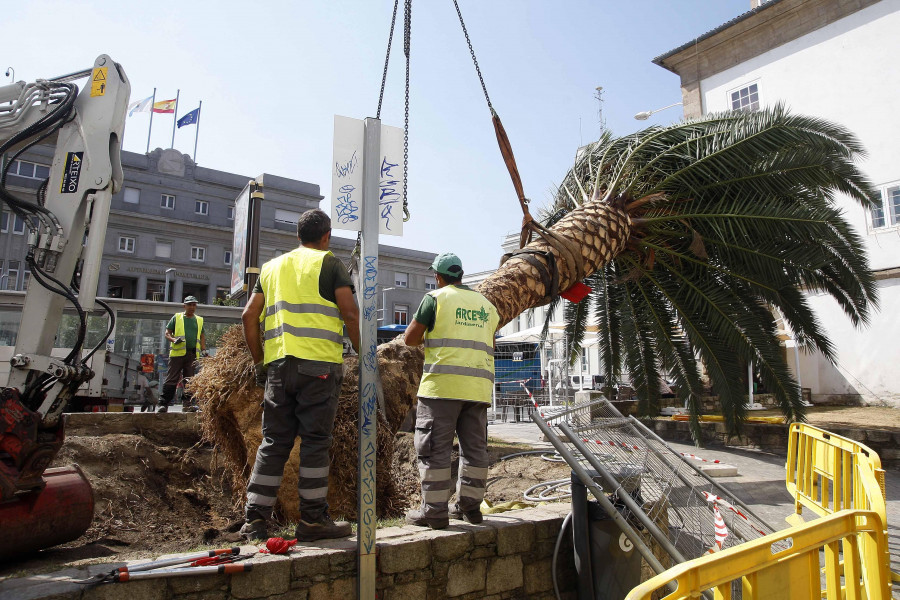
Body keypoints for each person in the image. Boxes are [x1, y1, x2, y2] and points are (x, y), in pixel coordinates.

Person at [239, 209, 360, 542]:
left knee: (274, 443)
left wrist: (261, 361)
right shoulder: (331, 264)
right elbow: (349, 313)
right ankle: (313, 520)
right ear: (326, 236)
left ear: (297, 235)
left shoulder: (272, 267)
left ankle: (255, 521)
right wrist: (365, 356)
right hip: (318, 367)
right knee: (315, 444)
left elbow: (249, 316)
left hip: (279, 367)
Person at [404, 252, 500, 529]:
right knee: (475, 450)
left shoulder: (435, 299)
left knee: (434, 449)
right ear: (460, 275)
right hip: (478, 390)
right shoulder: (487, 305)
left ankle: (433, 511)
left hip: (442, 389)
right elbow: (489, 343)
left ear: (438, 276)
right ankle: (470, 507)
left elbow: (411, 339)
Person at [159, 296, 206, 413]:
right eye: (190, 305)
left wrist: (204, 350)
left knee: (189, 380)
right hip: (177, 355)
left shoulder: (199, 320)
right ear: (184, 306)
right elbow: (167, 333)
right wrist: (173, 339)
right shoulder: (177, 317)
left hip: (191, 354)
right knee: (172, 378)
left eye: (194, 305)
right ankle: (163, 403)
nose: (192, 307)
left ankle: (187, 404)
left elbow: (202, 335)